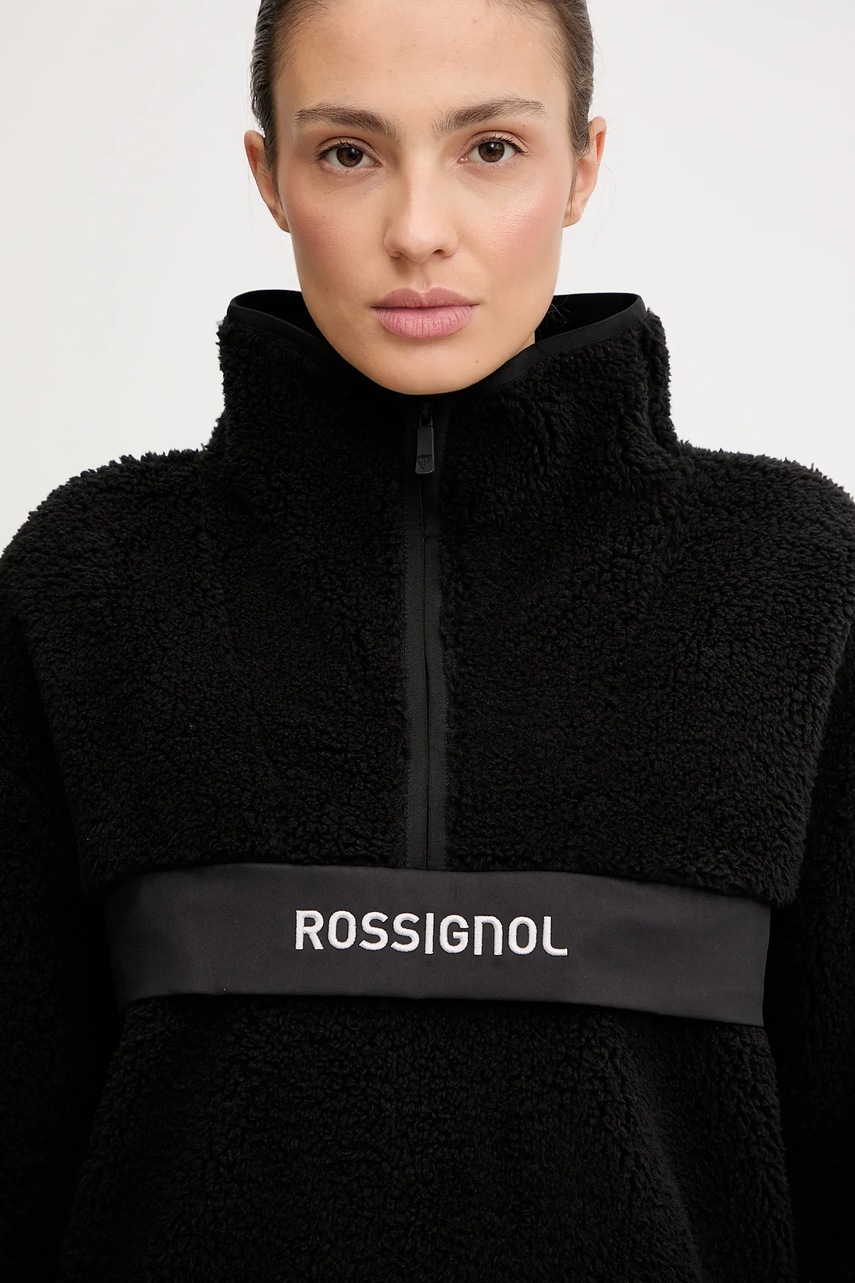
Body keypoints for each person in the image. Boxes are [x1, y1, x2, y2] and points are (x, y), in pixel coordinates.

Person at [1, 0, 853, 1279]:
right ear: (270, 175)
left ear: (584, 164)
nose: (416, 229)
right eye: (348, 152)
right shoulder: (91, 577)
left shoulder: (791, 575)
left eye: (490, 148)